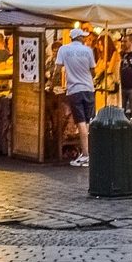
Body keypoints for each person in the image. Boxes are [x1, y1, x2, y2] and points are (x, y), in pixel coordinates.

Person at [55, 27, 98, 168]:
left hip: (74, 90)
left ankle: (86, 154)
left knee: (80, 122)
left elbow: (57, 69)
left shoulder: (63, 49)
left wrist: (51, 84)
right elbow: (93, 71)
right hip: (88, 88)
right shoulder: (88, 51)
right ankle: (90, 152)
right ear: (79, 37)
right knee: (88, 121)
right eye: (83, 37)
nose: (85, 38)